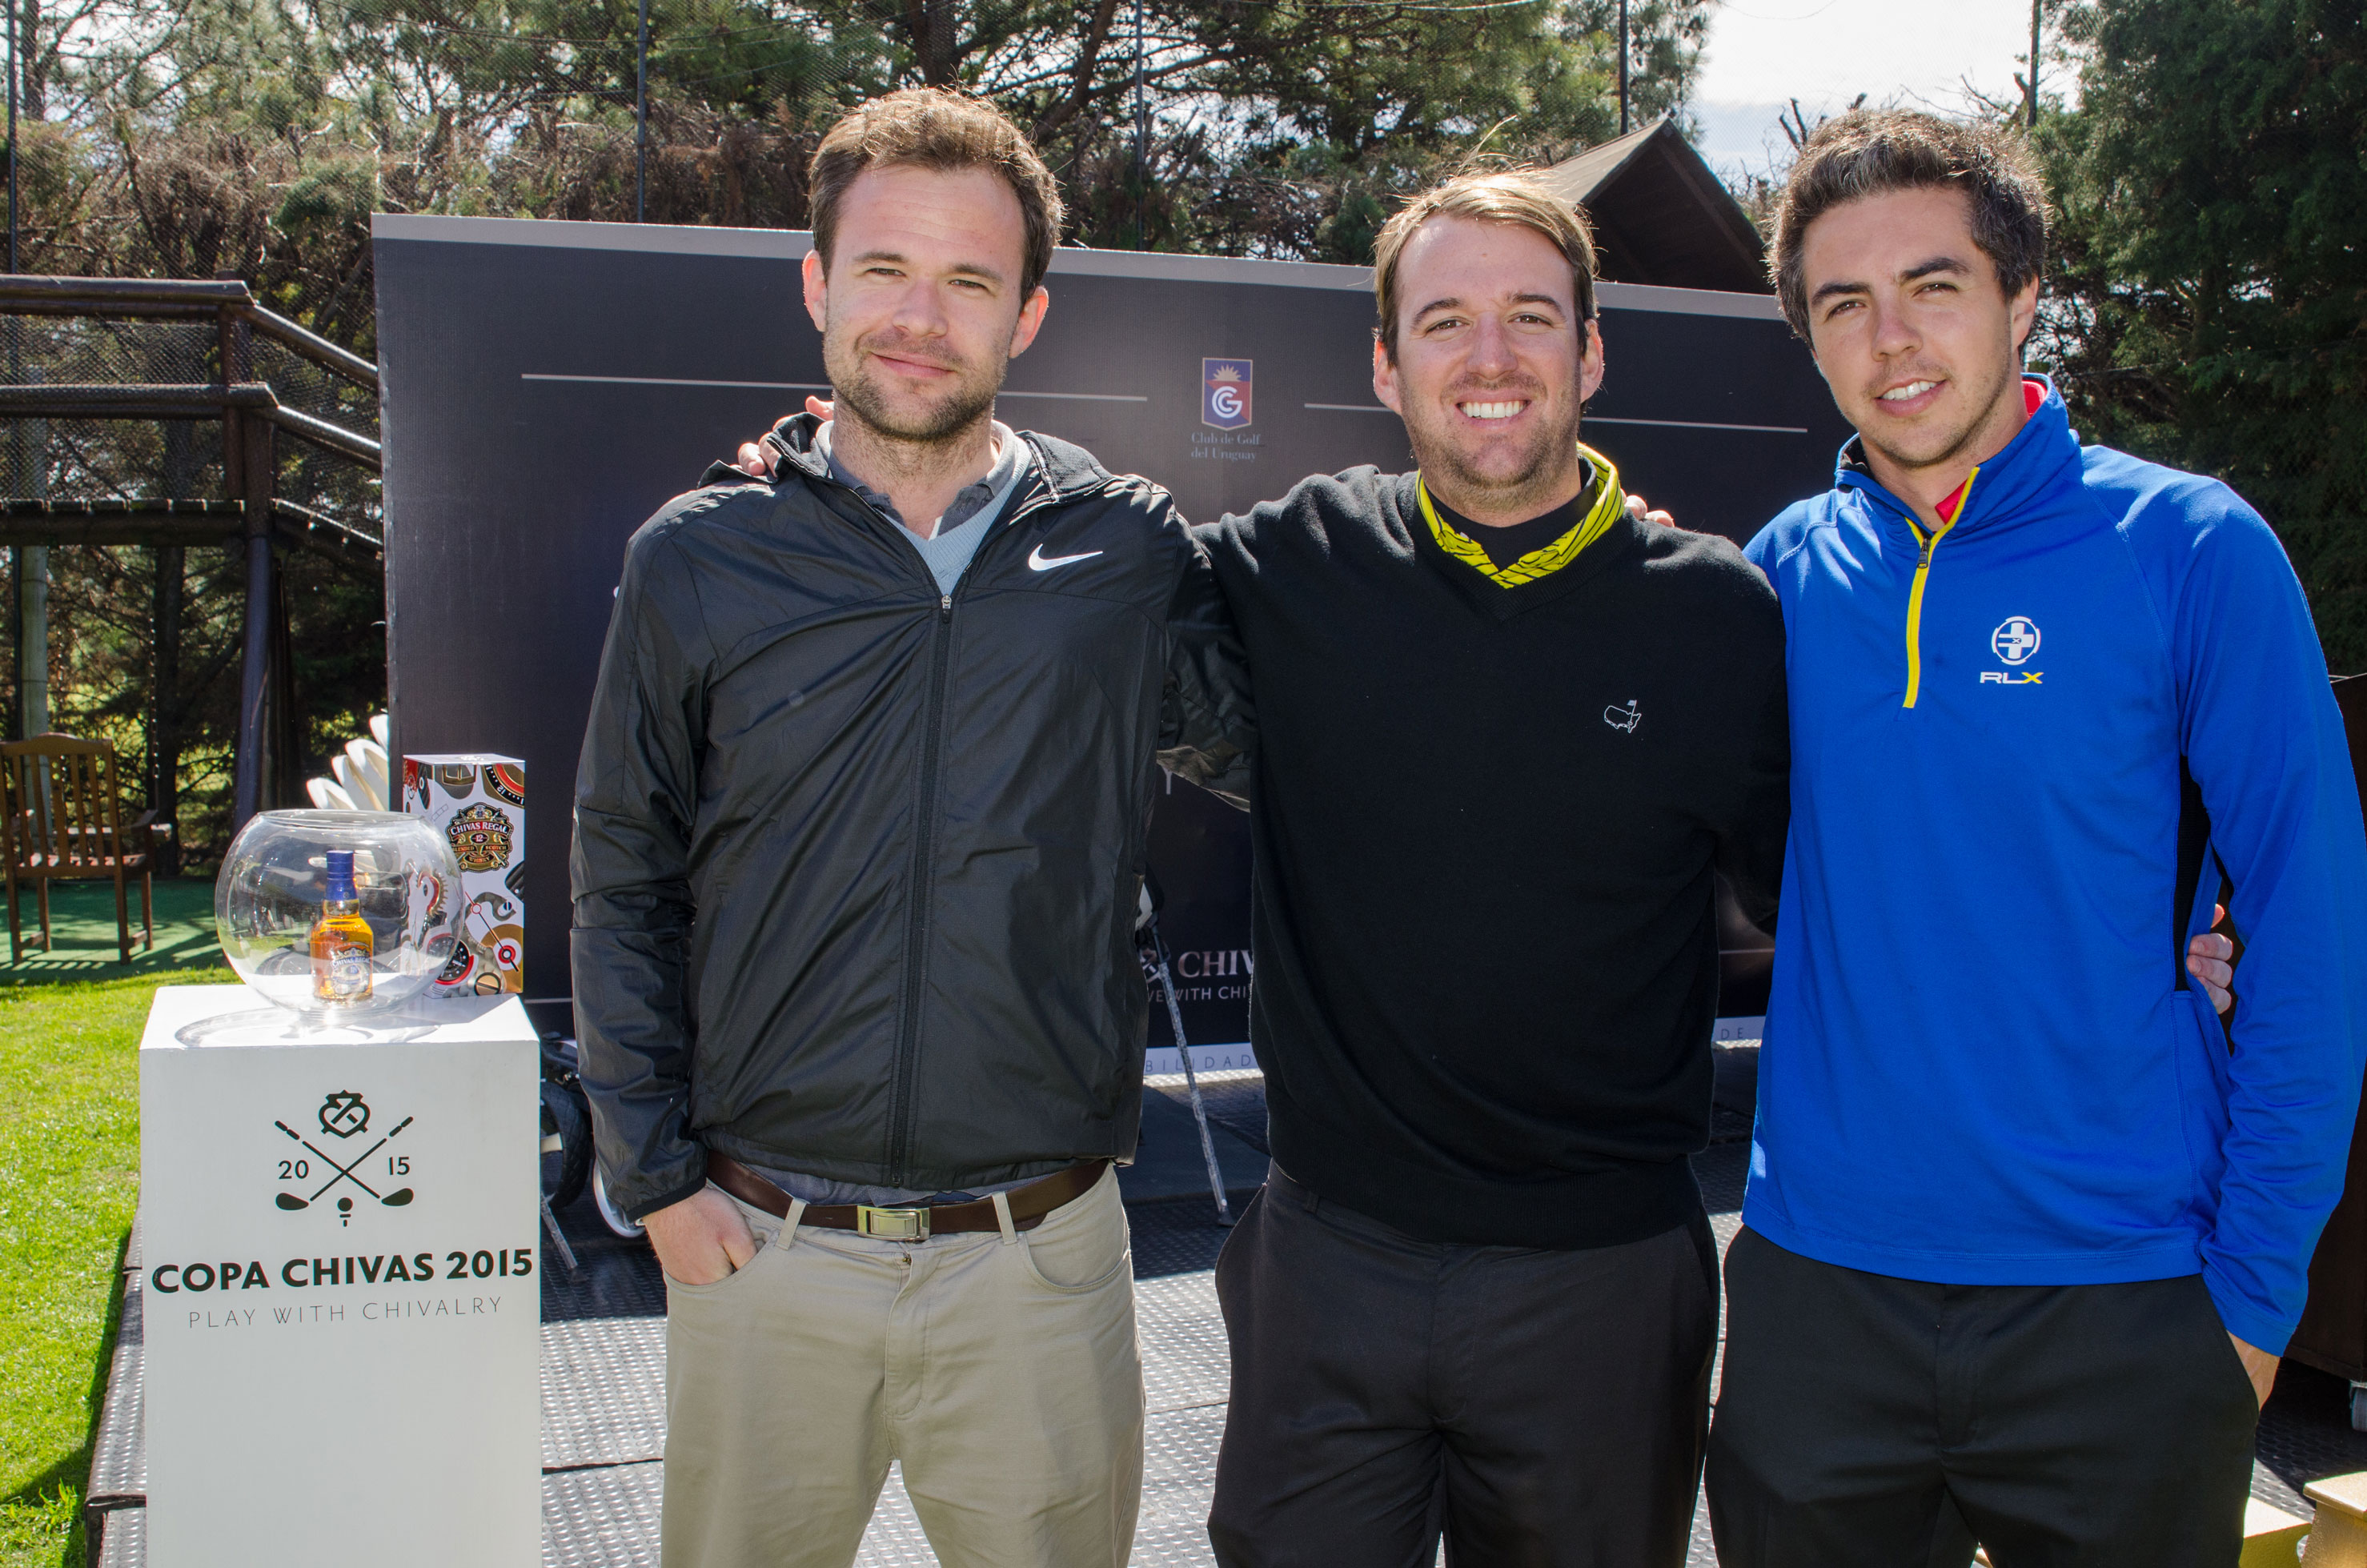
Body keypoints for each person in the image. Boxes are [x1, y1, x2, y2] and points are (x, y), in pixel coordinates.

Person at [570, 86, 1250, 1568]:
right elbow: (621, 877)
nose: (919, 317)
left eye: (968, 282)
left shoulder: (1122, 550)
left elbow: (1301, 751)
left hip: (1039, 1267)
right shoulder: (699, 559)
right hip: (762, 1255)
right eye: (882, 270)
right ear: (817, 285)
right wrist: (658, 1183)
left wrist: (1541, 557)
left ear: (1030, 313)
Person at [1705, 109, 2367, 1568]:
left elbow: (2313, 942)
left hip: (2124, 1305)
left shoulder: (2190, 550)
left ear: (2020, 296)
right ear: (1806, 337)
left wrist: (2251, 1310)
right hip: (1821, 1301)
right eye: (1842, 304)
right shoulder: (1766, 584)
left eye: (1933, 285)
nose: (1892, 340)